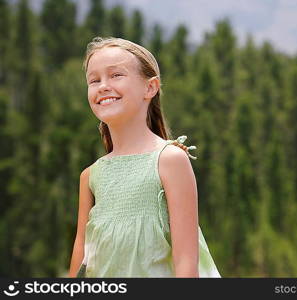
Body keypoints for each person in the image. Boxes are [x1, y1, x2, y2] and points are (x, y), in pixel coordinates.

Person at [68, 37, 221, 278]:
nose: (103, 86)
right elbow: (81, 256)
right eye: (94, 80)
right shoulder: (90, 176)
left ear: (150, 88)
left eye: (116, 75)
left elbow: (186, 262)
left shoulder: (170, 160)